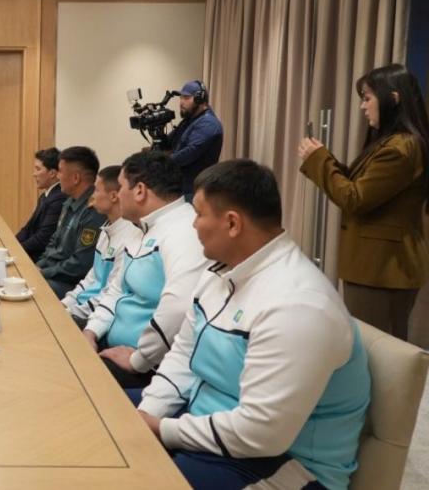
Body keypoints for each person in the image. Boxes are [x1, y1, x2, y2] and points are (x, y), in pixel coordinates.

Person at [137, 159, 370, 490]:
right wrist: (147, 414)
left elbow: (260, 434)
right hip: (208, 425)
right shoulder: (220, 272)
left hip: (285, 466)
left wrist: (161, 430)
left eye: (199, 214)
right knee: (103, 420)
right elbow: (183, 355)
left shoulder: (299, 306)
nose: (193, 225)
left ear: (232, 223)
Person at [299, 63, 429, 341]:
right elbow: (361, 187)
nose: (363, 106)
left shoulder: (401, 148)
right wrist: (324, 160)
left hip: (384, 270)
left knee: (376, 349)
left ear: (393, 99)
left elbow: (355, 198)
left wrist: (319, 160)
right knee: (370, 346)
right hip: (375, 267)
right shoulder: (393, 144)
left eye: (367, 98)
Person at [83, 151, 207, 388]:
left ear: (139, 190)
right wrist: (91, 332)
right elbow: (116, 290)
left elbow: (178, 308)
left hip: (149, 365)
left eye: (121, 187)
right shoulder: (140, 227)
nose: (118, 194)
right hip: (113, 343)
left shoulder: (183, 230)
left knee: (67, 375)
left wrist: (139, 360)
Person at [61, 165, 142, 329]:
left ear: (113, 196)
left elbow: (109, 293)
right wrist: (64, 304)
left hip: (95, 317)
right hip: (81, 309)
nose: (92, 196)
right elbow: (91, 278)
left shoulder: (130, 237)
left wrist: (70, 313)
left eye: (97, 190)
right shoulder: (106, 229)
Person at [35, 146, 108, 298]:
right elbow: (53, 243)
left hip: (72, 284)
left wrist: (43, 273)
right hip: (55, 274)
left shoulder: (93, 211)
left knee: (32, 290)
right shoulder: (69, 202)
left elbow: (80, 264)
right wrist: (36, 267)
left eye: (60, 171)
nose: (58, 176)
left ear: (76, 178)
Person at [168, 80, 224, 197]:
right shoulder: (190, 120)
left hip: (194, 191)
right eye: (181, 98)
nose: (181, 102)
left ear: (200, 99)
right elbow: (171, 141)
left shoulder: (208, 123)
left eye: (186, 98)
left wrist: (162, 162)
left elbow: (187, 154)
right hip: (183, 187)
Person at [15, 147, 68, 261]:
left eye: (38, 169)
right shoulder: (45, 196)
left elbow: (43, 238)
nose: (34, 174)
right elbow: (28, 228)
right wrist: (12, 243)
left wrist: (16, 250)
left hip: (41, 258)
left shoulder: (59, 198)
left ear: (52, 173)